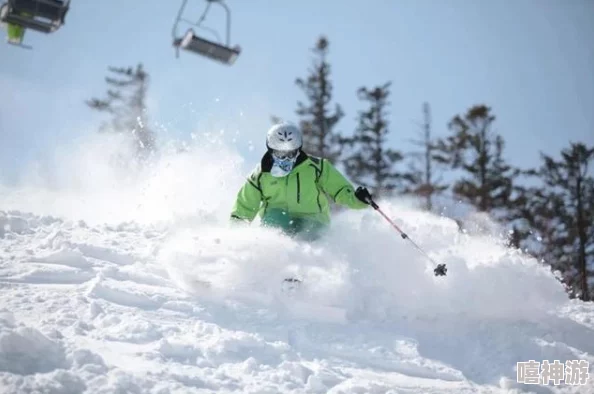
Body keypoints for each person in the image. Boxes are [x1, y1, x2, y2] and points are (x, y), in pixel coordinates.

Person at [230, 122, 373, 241]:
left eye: (290, 153)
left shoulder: (316, 167)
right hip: (278, 219)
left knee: (308, 231)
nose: (285, 158)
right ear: (271, 150)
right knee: (275, 219)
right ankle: (275, 264)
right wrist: (236, 235)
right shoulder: (261, 174)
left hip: (312, 219)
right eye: (280, 153)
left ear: (298, 149)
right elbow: (245, 205)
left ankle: (307, 267)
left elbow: (340, 190)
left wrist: (357, 199)